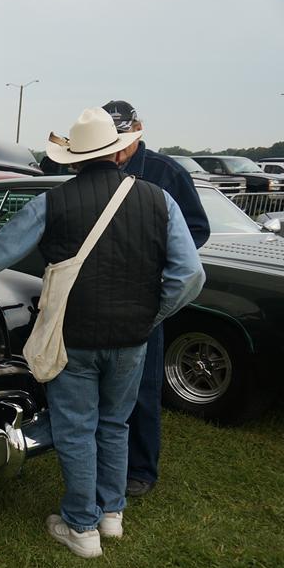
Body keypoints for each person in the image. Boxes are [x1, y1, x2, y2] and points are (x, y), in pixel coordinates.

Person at [0, 108, 205, 558]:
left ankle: (81, 527)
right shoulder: (159, 199)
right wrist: (150, 317)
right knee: (115, 424)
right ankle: (111, 515)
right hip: (133, 339)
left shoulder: (53, 202)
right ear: (117, 153)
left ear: (73, 160)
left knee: (76, 428)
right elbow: (189, 277)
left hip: (72, 336)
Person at [102, 101, 210, 498]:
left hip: (146, 293)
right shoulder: (96, 166)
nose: (116, 149)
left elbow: (197, 230)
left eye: (123, 139)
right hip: (101, 292)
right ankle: (104, 459)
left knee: (143, 388)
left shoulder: (168, 173)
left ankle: (141, 470)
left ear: (139, 130)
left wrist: (158, 260)